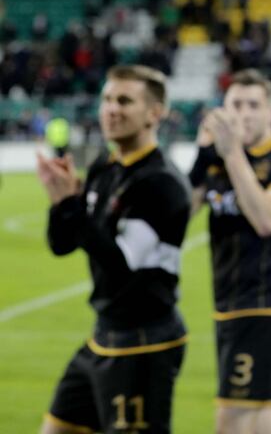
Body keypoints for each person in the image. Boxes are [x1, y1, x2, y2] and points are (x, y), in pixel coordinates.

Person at [35, 65, 191, 434]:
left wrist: (73, 208)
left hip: (144, 343)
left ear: (155, 113)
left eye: (124, 100)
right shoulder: (104, 167)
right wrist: (60, 204)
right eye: (106, 99)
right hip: (103, 334)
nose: (111, 109)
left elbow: (122, 266)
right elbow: (63, 245)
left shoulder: (161, 183)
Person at [189, 68, 271, 434]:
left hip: (263, 305)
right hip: (228, 304)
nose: (244, 113)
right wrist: (202, 155)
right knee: (259, 422)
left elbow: (267, 220)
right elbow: (178, 222)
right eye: (235, 104)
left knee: (230, 423)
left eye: (253, 105)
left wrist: (231, 156)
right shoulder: (216, 159)